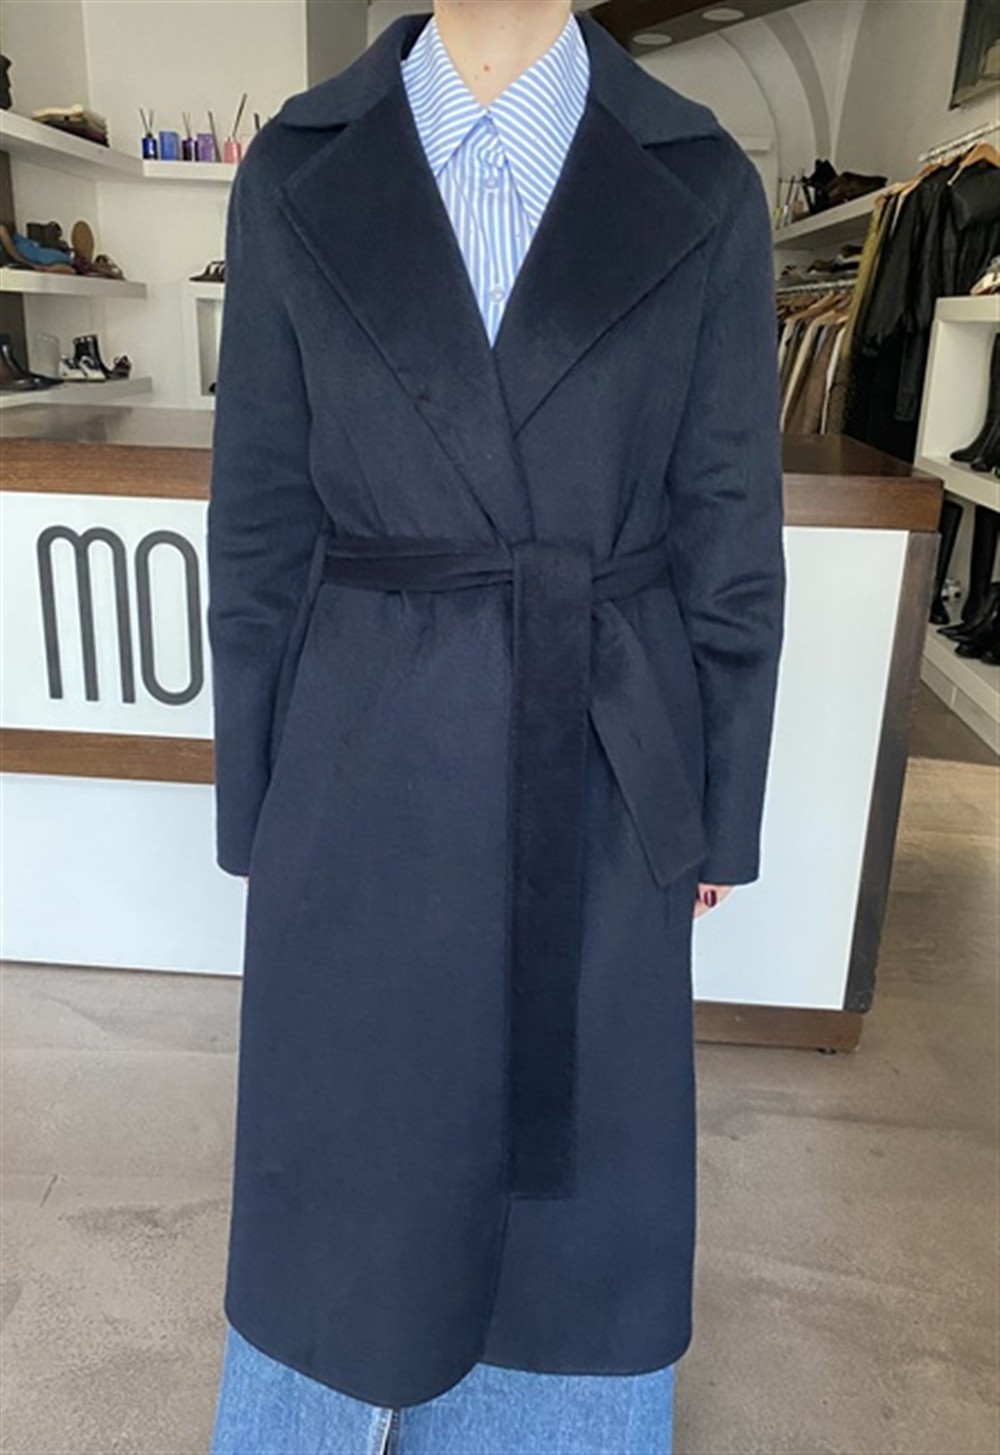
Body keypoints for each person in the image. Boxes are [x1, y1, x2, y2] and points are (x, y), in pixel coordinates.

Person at [205, 1, 786, 1450]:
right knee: (352, 1167)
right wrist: (259, 805)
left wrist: (717, 806)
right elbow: (260, 520)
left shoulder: (703, 180)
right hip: (361, 756)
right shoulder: (297, 166)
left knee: (582, 1200)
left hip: (601, 754)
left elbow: (730, 521)